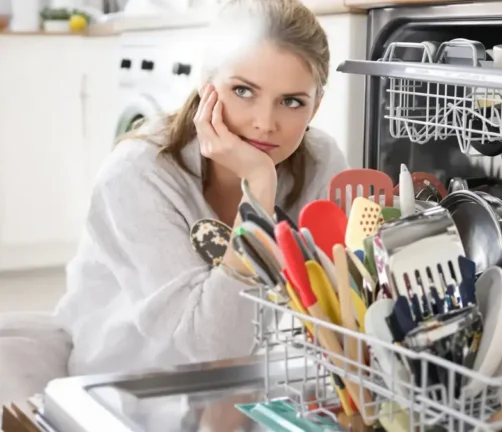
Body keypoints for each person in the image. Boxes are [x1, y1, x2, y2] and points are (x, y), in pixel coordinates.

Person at [53, 0, 349, 377]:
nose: (264, 123)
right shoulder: (137, 173)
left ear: (316, 106)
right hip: (130, 379)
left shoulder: (321, 160)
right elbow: (210, 348)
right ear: (205, 84)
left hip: (254, 379)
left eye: (291, 102)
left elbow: (339, 299)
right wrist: (259, 192)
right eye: (244, 91)